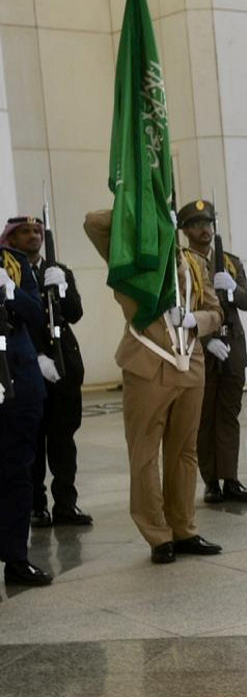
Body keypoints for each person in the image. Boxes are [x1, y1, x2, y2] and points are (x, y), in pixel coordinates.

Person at [83, 209, 225, 564]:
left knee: (184, 452)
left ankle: (183, 528)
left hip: (190, 364)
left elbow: (216, 311)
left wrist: (196, 320)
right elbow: (93, 223)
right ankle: (157, 535)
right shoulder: (132, 258)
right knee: (145, 454)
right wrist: (144, 208)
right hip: (147, 364)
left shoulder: (192, 262)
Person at [1, 216, 92, 527]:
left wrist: (62, 289)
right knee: (34, 440)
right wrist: (38, 355)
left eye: (37, 231)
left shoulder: (58, 269)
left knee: (64, 438)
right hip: (29, 364)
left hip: (64, 363)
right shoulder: (10, 269)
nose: (33, 236)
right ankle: (37, 506)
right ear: (11, 239)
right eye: (24, 232)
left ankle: (66, 503)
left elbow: (75, 314)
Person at [176, 199, 247, 506]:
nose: (204, 229)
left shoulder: (229, 261)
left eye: (207, 223)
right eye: (196, 224)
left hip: (233, 344)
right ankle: (211, 481)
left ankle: (230, 477)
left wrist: (233, 288)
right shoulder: (182, 263)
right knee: (204, 415)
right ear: (184, 231)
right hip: (199, 347)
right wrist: (205, 338)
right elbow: (181, 308)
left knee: (229, 412)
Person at [0, 242, 54, 586]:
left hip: (19, 381)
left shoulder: (15, 262)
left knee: (18, 472)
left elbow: (37, 314)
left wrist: (10, 290)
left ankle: (16, 558)